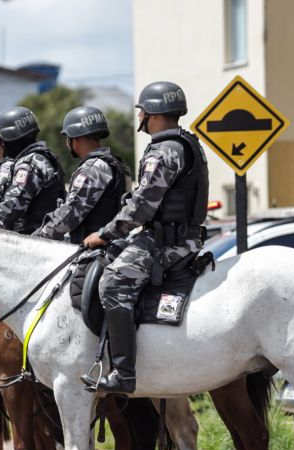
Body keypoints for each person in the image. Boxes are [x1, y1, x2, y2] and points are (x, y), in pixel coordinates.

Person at [81, 81, 209, 395]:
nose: (139, 116)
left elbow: (142, 208)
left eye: (141, 110)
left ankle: (123, 373)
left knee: (112, 281)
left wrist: (105, 233)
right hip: (182, 237)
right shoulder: (184, 143)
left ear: (151, 113)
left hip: (167, 242)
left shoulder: (164, 150)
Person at [32, 106, 131, 242]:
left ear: (74, 138)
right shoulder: (116, 163)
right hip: (110, 246)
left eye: (67, 137)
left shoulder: (93, 168)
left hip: (93, 250)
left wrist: (37, 238)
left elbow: (70, 213)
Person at [0, 106, 65, 234]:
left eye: (3, 140)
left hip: (35, 243)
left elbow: (11, 208)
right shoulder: (33, 159)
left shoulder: (31, 164)